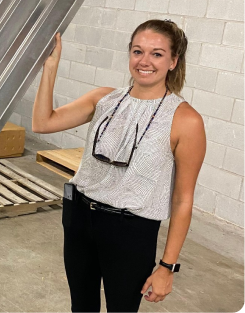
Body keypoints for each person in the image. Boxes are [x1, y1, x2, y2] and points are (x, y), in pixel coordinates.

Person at [32, 19, 206, 313]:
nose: (145, 61)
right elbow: (42, 122)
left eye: (157, 53)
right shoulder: (104, 99)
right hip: (79, 217)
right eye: (138, 51)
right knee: (81, 307)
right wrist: (50, 67)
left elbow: (182, 199)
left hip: (131, 230)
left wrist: (167, 266)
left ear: (174, 61)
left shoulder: (185, 120)